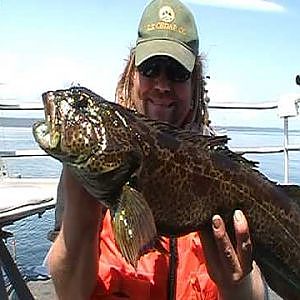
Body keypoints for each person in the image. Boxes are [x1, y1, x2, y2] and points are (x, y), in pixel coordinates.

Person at [48, 0, 269, 299]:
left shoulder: (220, 169)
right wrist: (81, 214)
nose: (162, 84)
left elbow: (260, 289)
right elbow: (70, 292)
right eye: (151, 68)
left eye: (177, 72)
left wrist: (237, 285)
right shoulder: (96, 154)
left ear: (195, 84)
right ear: (132, 73)